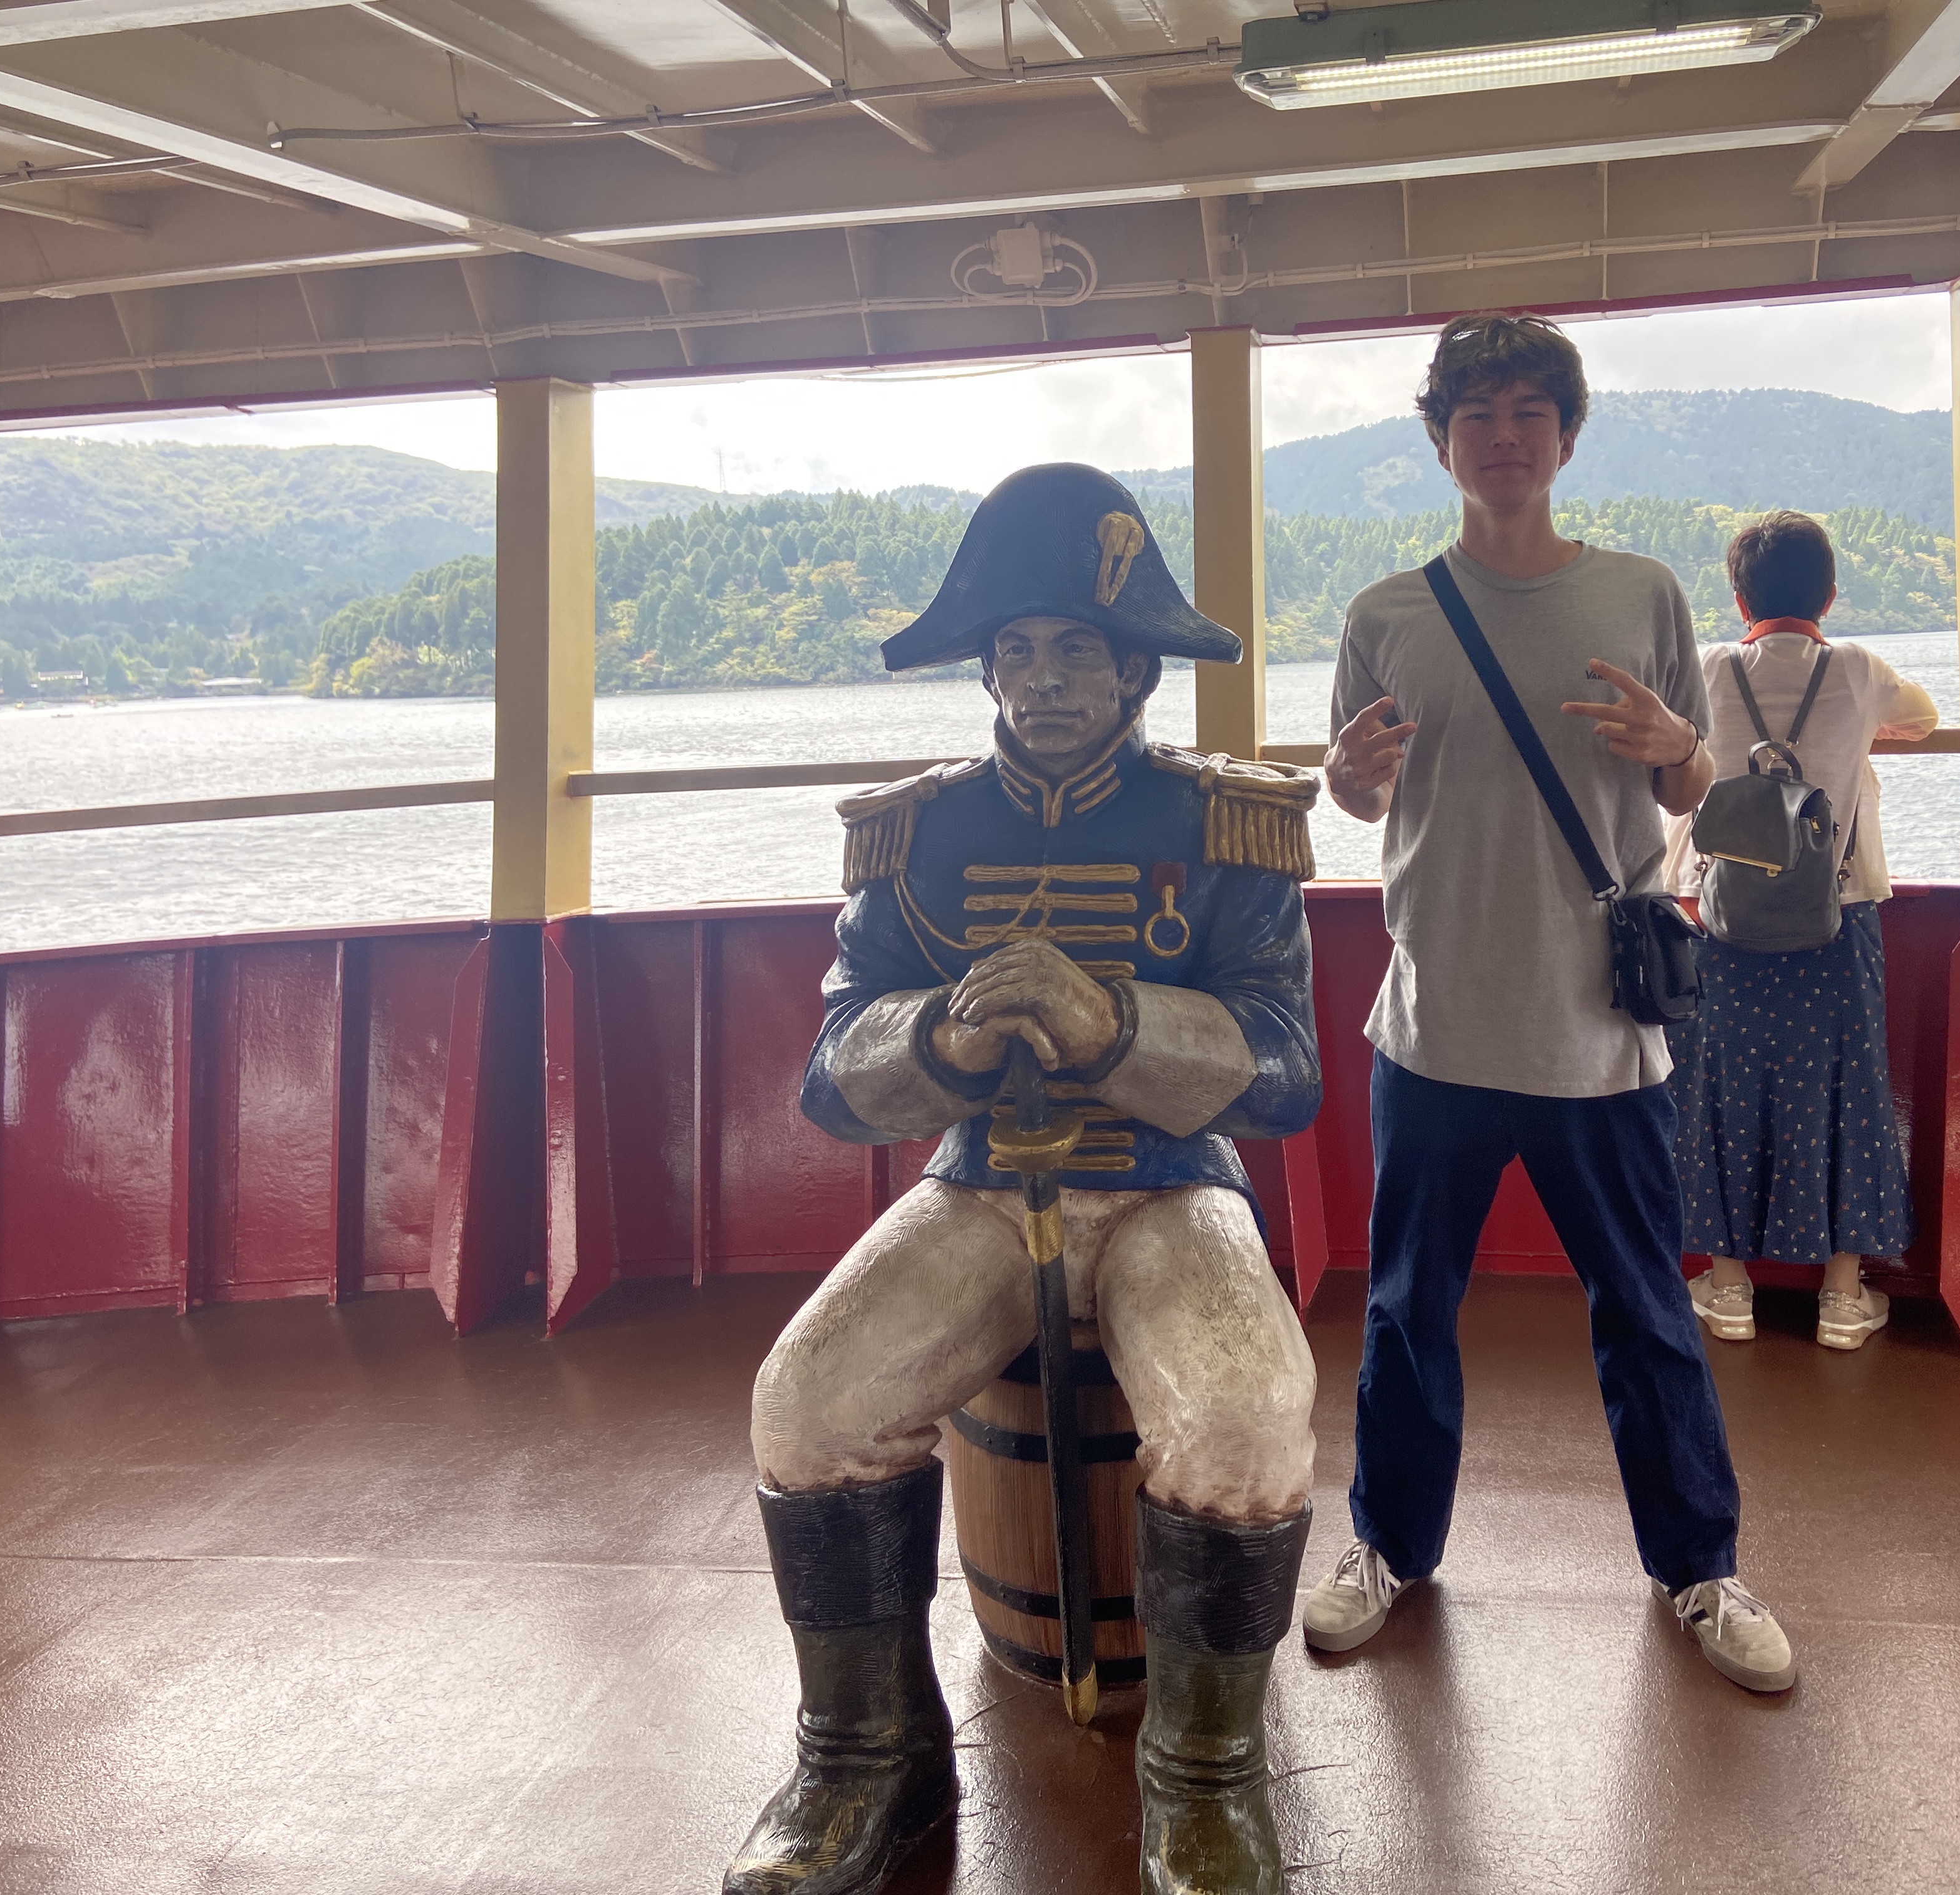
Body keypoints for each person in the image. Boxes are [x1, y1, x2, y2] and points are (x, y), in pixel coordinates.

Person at [727, 464, 1326, 1895]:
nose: (1044, 679)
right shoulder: (914, 837)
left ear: (1134, 672)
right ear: (988, 672)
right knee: (807, 1403)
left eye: (1077, 651)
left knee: (1248, 1418)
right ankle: (867, 1755)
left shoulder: (1227, 826)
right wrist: (938, 1037)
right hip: (983, 1184)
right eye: (1017, 651)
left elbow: (1286, 1075)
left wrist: (1116, 1024)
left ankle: (1205, 1775)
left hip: (1174, 1185)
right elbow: (831, 1077)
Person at [1302, 311, 1796, 1696]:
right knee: (1407, 1311)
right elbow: (1362, 798)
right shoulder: (1386, 615)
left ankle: (1700, 1568)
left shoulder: (1641, 593)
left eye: (1531, 412)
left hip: (1601, 1033)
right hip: (1436, 1025)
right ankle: (1388, 1547)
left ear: (1568, 440)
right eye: (1478, 413)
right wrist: (1342, 777)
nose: (1505, 436)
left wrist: (1683, 746)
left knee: (1646, 1312)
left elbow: (1690, 787)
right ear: (1441, 443)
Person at [1667, 512, 1939, 1350]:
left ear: (1738, 598)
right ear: (1829, 595)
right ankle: (1843, 1298)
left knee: (1717, 1089)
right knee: (1849, 1091)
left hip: (1719, 916)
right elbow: (1925, 717)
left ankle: (1727, 1287)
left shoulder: (1707, 670)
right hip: (1838, 914)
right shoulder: (1857, 669)